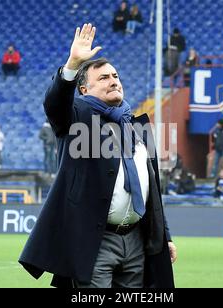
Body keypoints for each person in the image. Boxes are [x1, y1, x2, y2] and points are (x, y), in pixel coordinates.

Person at [19, 23, 176, 288]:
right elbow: (54, 103)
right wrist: (73, 63)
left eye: (115, 76)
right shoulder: (76, 119)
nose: (113, 80)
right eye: (103, 78)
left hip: (136, 240)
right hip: (95, 241)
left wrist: (165, 235)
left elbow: (152, 194)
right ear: (83, 90)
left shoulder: (138, 127)